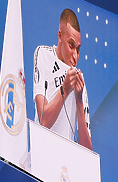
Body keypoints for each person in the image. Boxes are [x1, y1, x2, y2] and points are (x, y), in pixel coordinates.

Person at [33, 9, 91, 150]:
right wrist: (64, 89)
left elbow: (88, 151)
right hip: (40, 158)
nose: (75, 56)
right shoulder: (43, 54)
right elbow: (43, 120)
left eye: (78, 49)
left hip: (63, 168)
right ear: (60, 36)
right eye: (71, 46)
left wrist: (78, 100)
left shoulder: (80, 83)